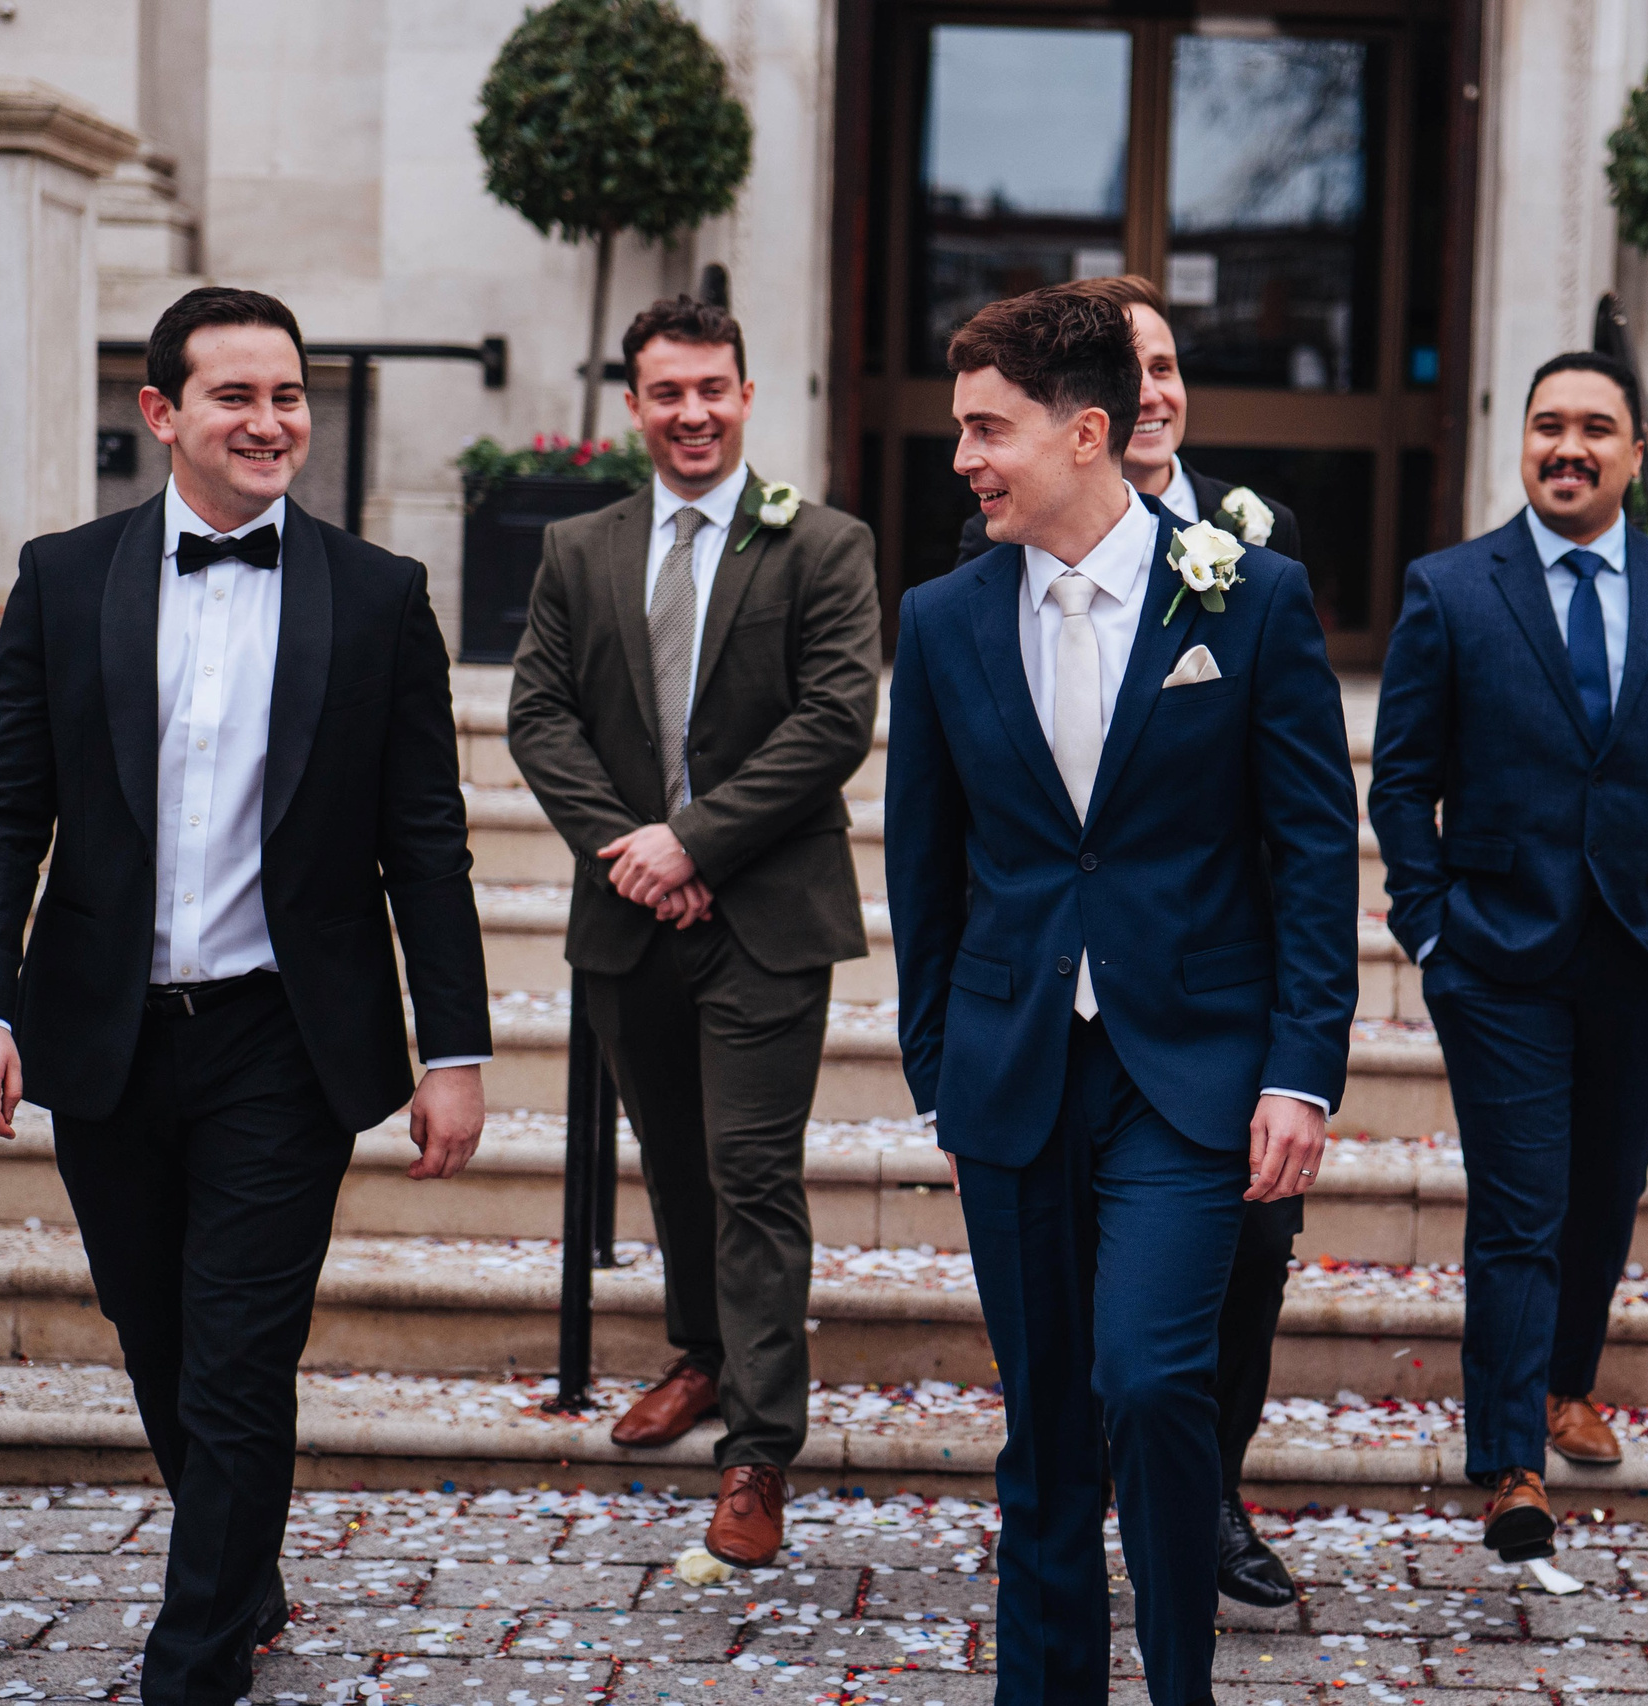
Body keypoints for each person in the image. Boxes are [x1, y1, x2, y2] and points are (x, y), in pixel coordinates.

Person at [0, 285, 492, 1706]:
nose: (271, 420)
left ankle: (191, 1664)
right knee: (160, 1333)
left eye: (289, 394)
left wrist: (458, 1046)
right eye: (237, 395)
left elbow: (423, 841)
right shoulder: (66, 578)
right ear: (164, 413)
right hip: (107, 1033)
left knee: (241, 1356)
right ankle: (242, 1565)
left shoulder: (379, 597)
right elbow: (1, 810)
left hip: (282, 1039)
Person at [886, 283, 1359, 1706]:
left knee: (1155, 1384)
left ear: (1085, 432)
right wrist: (940, 1067)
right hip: (1016, 1069)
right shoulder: (943, 616)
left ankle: (1179, 1681)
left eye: (987, 428)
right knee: (1044, 1430)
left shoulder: (1249, 595)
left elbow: (1313, 852)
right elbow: (926, 865)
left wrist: (1301, 1066)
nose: (963, 457)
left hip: (1190, 1069)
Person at [507, 294, 881, 1567]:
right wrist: (633, 851)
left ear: (747, 393)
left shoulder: (823, 544)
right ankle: (704, 1355)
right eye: (667, 392)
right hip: (629, 913)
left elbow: (833, 720)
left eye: (713, 388)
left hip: (767, 915)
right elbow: (539, 717)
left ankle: (759, 1454)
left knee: (753, 1174)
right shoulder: (579, 549)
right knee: (671, 1158)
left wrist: (697, 841)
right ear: (633, 405)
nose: (692, 413)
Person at [956, 273, 1309, 1607]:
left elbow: (1297, 829)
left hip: (1219, 1016)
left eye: (1172, 368)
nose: (1158, 390)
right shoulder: (996, 565)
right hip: (1059, 1022)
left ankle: (1200, 1496)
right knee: (1078, 1336)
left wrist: (1291, 1048)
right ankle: (1065, 1519)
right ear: (1091, 409)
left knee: (1233, 1288)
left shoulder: (1248, 561)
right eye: (1137, 368)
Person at [1367, 351, 1648, 1555]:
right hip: (1498, 956)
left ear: (1637, 453)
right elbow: (1403, 782)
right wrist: (1430, 927)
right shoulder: (1449, 588)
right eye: (1547, 427)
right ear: (1520, 443)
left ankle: (1568, 1377)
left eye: (1594, 428)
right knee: (1523, 1202)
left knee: (1603, 1190)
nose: (1567, 447)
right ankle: (1511, 1462)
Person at [955, 274, 1300, 569]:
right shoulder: (996, 536)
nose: (1149, 396)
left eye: (1162, 369)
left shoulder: (1266, 525)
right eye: (1130, 375)